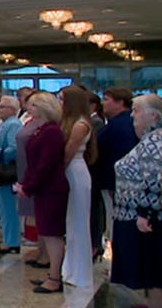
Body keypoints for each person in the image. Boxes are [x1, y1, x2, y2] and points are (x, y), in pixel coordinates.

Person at [111, 94, 162, 307]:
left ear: (154, 116)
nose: (132, 115)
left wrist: (144, 213)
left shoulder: (154, 141)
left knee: (154, 272)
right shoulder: (150, 140)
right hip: (140, 215)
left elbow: (154, 180)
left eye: (137, 110)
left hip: (145, 219)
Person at [16, 92, 69, 294]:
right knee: (46, 231)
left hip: (51, 188)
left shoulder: (52, 131)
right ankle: (52, 274)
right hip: (43, 188)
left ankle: (55, 277)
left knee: (53, 233)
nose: (28, 109)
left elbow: (46, 164)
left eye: (33, 105)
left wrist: (29, 187)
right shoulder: (41, 129)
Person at [58, 86, 97, 289]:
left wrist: (55, 172)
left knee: (79, 223)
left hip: (75, 171)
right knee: (70, 223)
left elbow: (68, 152)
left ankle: (80, 273)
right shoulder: (69, 122)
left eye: (62, 99)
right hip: (70, 170)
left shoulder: (81, 124)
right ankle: (70, 268)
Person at [96, 87, 138, 260]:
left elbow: (121, 157)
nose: (103, 103)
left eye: (107, 99)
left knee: (115, 222)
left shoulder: (120, 125)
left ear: (120, 102)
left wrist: (115, 184)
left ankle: (119, 259)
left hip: (115, 183)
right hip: (115, 182)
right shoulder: (117, 123)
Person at [0, 95, 23, 254]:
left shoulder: (13, 125)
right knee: (3, 207)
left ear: (12, 109)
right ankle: (8, 238)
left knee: (8, 208)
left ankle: (12, 241)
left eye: (2, 107)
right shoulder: (3, 124)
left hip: (5, 172)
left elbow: (14, 149)